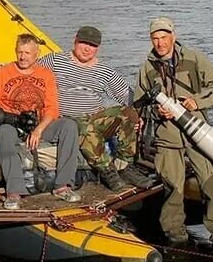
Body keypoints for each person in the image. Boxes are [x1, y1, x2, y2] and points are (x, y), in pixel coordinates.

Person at [137, 17, 213, 255]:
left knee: (210, 186)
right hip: (167, 138)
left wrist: (195, 102)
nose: (160, 43)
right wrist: (156, 111)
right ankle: (177, 240)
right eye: (155, 38)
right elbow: (139, 105)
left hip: (198, 135)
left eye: (164, 37)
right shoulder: (147, 68)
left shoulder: (194, 58)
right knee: (172, 191)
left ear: (173, 36)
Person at [33, 26, 149, 191]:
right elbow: (28, 69)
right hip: (65, 120)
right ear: (75, 41)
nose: (87, 49)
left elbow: (129, 97)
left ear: (98, 48)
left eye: (92, 45)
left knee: (129, 114)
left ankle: (125, 166)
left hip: (93, 117)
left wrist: (140, 116)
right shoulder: (54, 61)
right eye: (83, 43)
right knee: (82, 126)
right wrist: (0, 68)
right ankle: (107, 169)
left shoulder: (105, 72)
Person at [0, 34, 82, 210]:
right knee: (4, 133)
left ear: (36, 54)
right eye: (20, 52)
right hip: (11, 123)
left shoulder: (46, 75)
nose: (23, 57)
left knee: (69, 126)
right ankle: (14, 192)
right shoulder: (4, 73)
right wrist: (8, 118)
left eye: (27, 53)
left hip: (39, 123)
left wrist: (38, 130)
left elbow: (52, 108)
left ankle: (63, 186)